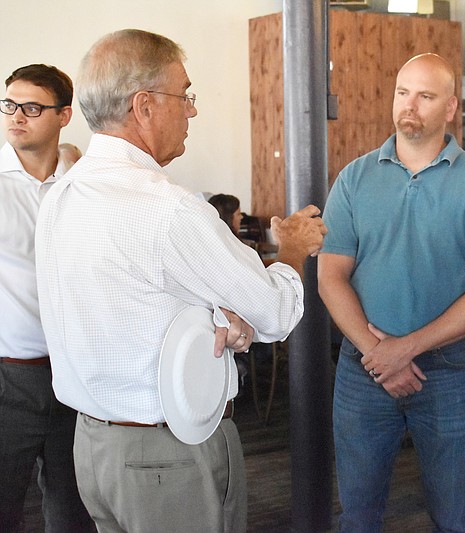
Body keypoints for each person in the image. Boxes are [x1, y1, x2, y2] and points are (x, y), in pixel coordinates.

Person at [34, 29, 326, 533]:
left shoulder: (61, 195)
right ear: (143, 106)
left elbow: (129, 300)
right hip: (165, 456)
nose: (191, 110)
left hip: (91, 446)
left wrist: (220, 316)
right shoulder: (167, 209)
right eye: (184, 95)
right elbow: (276, 313)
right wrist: (293, 250)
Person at [318, 53, 465, 532]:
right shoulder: (354, 179)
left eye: (426, 96)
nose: (410, 105)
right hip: (362, 373)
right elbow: (330, 277)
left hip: (447, 373)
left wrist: (406, 349)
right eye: (403, 92)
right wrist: (378, 354)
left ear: (450, 107)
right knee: (358, 518)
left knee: (453, 517)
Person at [0, 64, 93, 533]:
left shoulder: (85, 187)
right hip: (8, 375)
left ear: (63, 115)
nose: (16, 116)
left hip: (74, 373)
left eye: (32, 107)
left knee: (74, 507)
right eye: (9, 105)